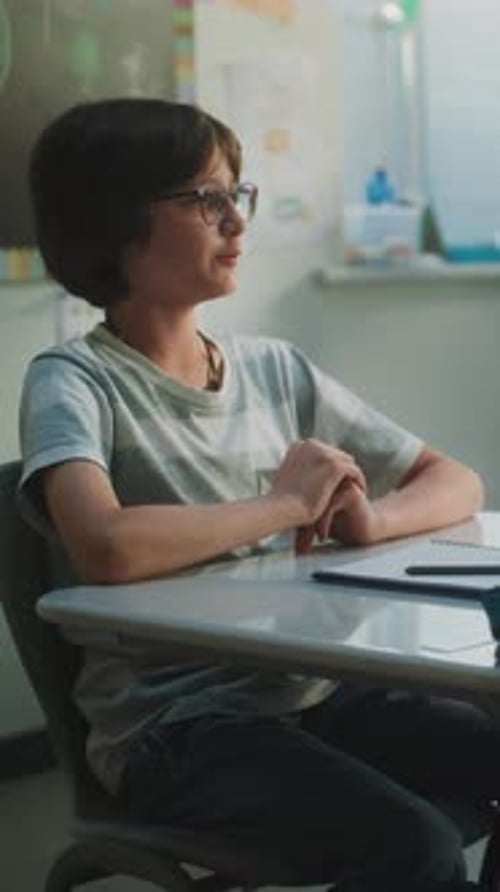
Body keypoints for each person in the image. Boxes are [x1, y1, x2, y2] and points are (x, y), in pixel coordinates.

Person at [18, 98, 497, 892]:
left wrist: (372, 517)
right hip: (176, 729)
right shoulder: (74, 379)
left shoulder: (275, 369)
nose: (236, 223)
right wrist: (284, 506)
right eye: (205, 200)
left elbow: (457, 481)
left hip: (305, 693)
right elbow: (103, 546)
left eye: (236, 196)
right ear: (111, 221)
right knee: (414, 845)